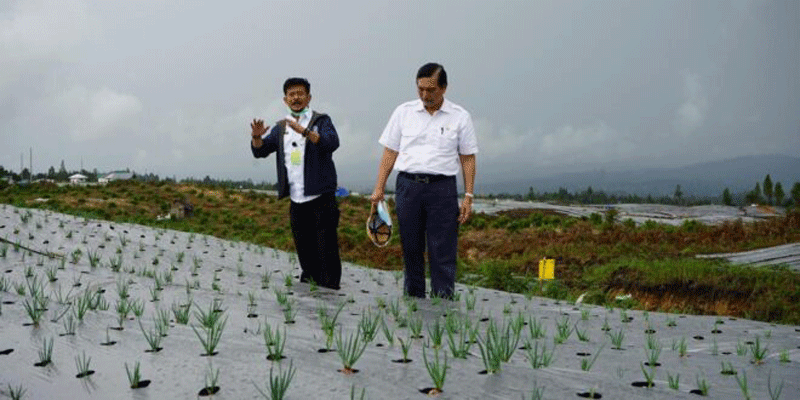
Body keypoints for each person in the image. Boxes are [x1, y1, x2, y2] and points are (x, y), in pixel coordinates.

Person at [370, 63, 478, 299]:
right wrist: (379, 188)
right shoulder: (403, 112)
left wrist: (468, 196)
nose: (425, 95)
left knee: (443, 248)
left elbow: (468, 158)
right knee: (411, 246)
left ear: (444, 88)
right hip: (408, 186)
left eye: (431, 90)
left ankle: (443, 301)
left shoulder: (460, 116)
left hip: (443, 189)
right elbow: (390, 152)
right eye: (420, 89)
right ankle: (413, 300)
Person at [251, 77, 342, 290]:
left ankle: (330, 289)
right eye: (291, 94)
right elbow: (261, 151)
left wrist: (307, 133)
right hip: (296, 198)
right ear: (285, 99)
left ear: (309, 97)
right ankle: (309, 285)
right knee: (303, 246)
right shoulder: (281, 127)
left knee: (326, 246)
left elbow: (332, 143)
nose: (296, 98)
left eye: (300, 93)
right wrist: (256, 137)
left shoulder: (321, 121)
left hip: (321, 196)